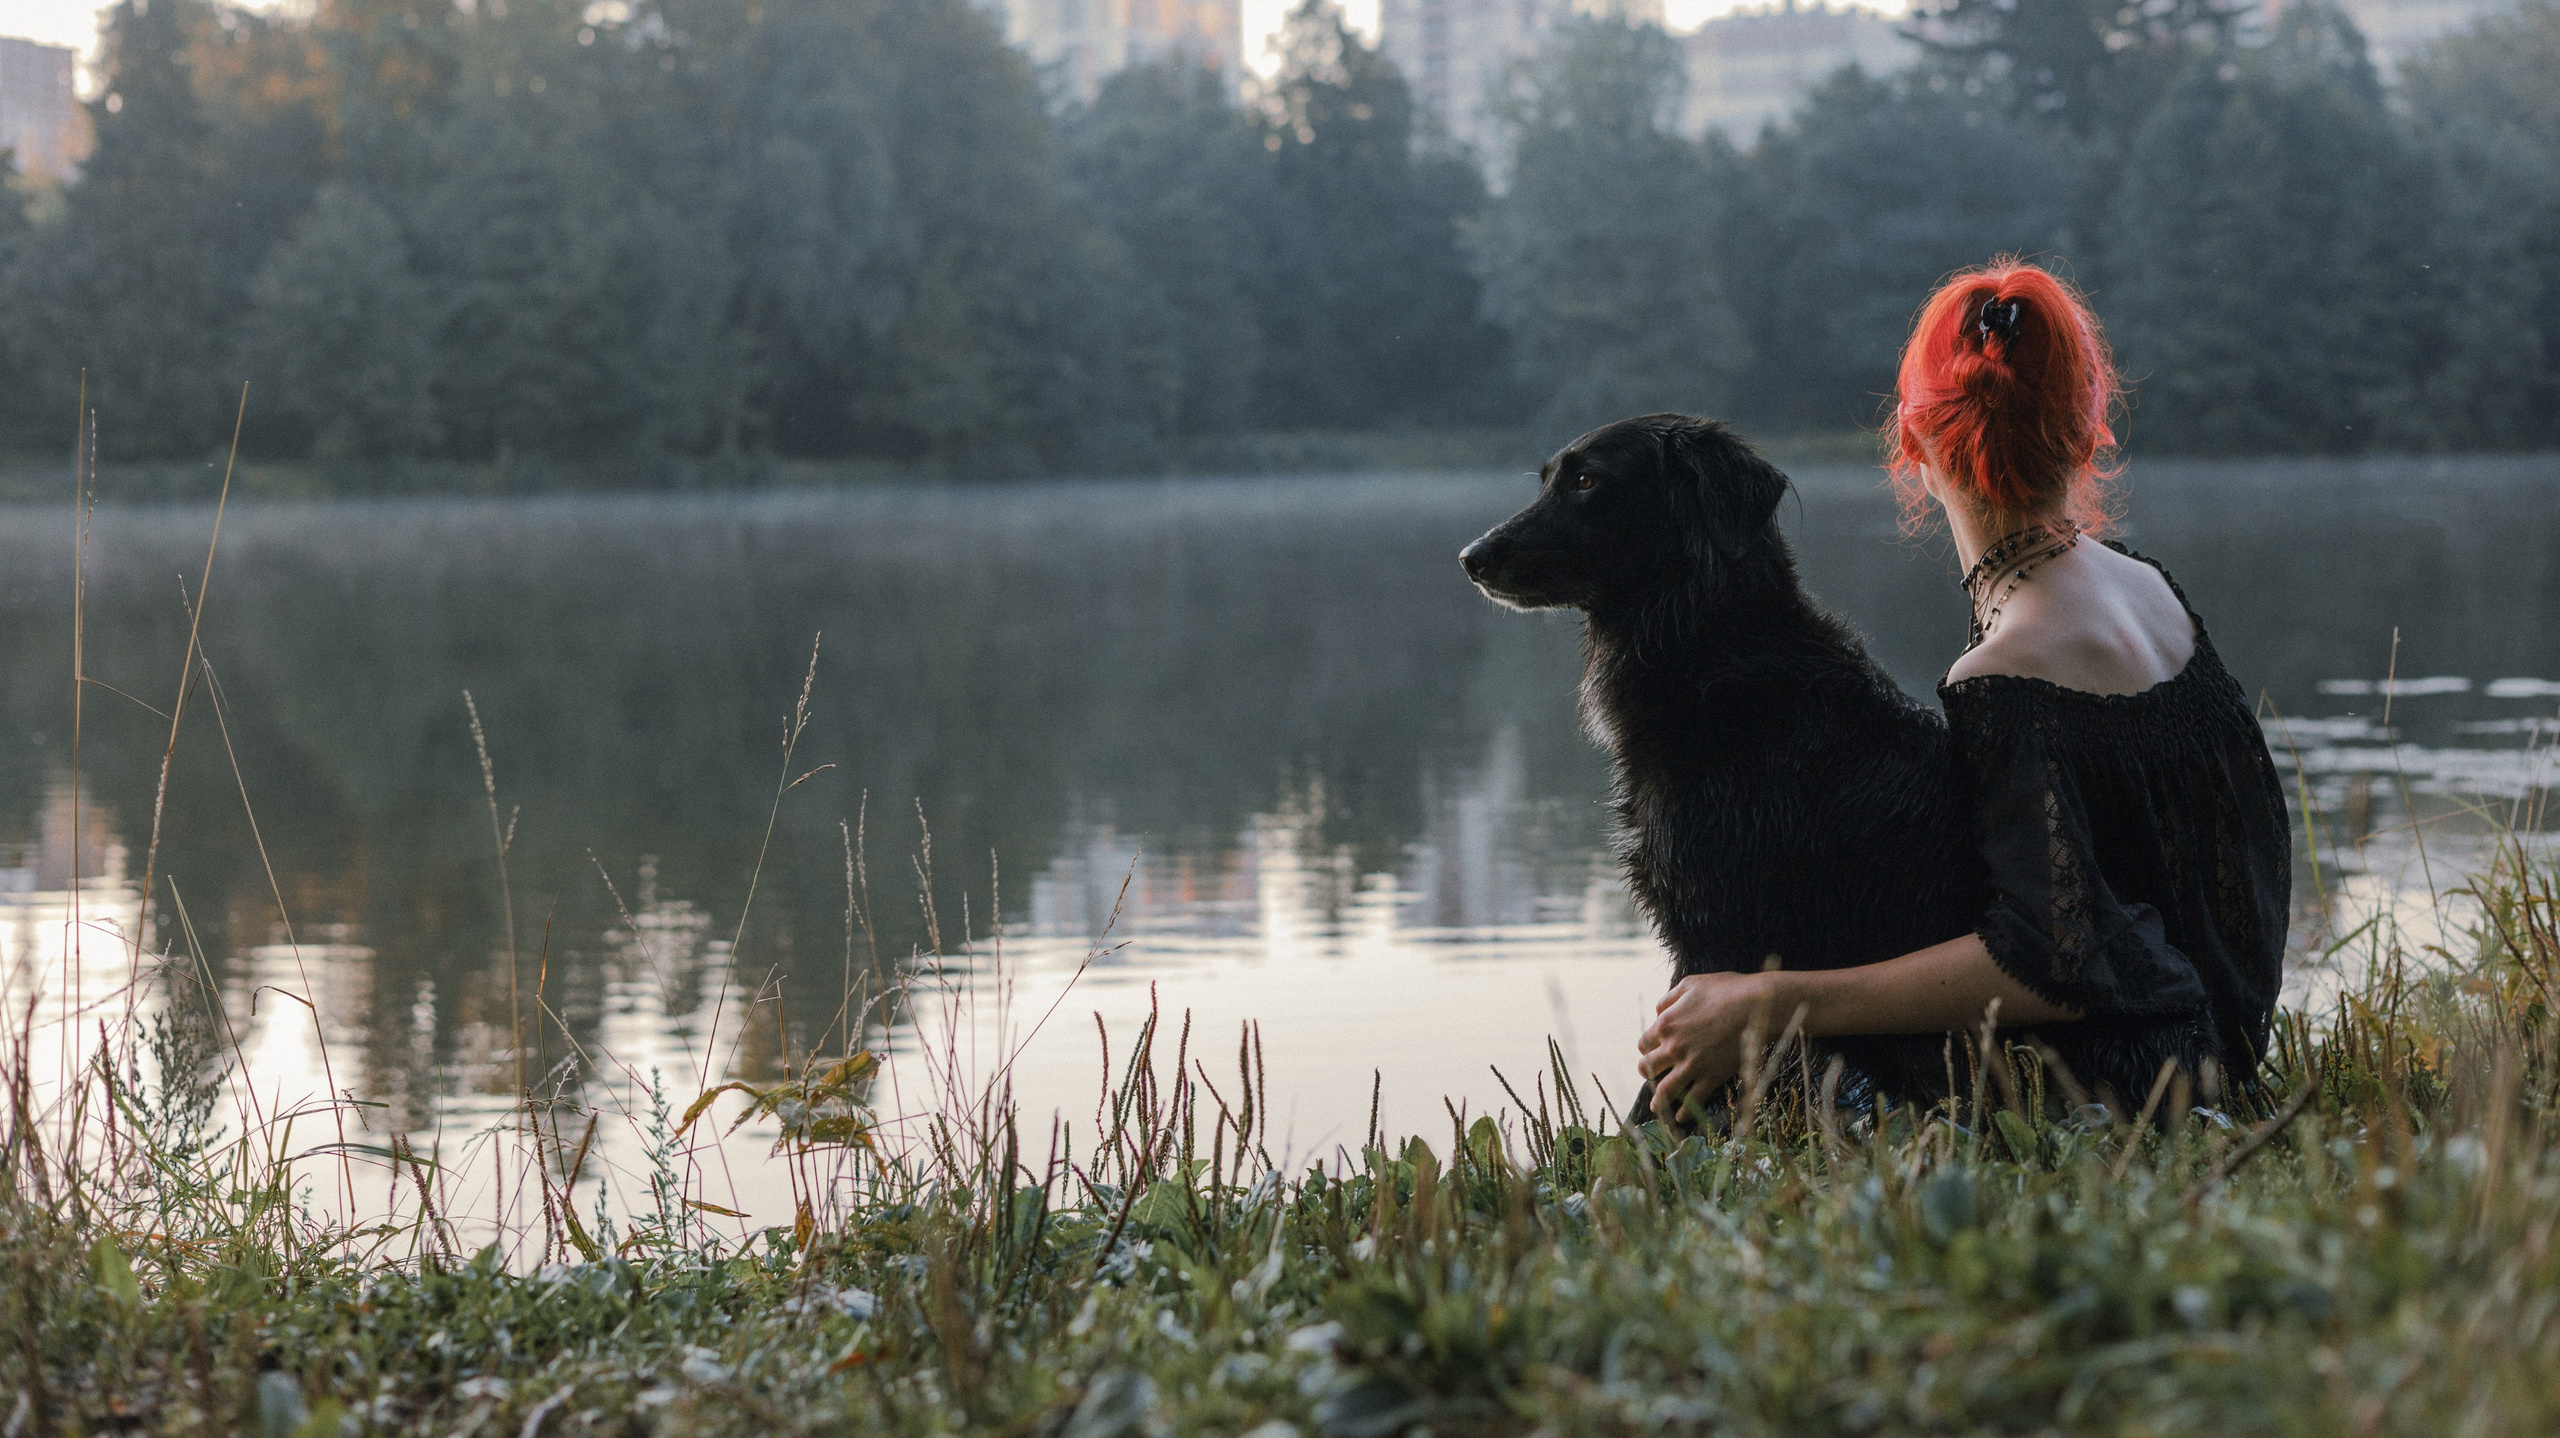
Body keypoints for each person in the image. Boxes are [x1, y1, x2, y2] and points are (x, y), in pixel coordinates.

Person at [1634, 259, 2292, 1116]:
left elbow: (2049, 954)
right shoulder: (2150, 590)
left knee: (1745, 1066)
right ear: (2092, 426)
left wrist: (1772, 1002)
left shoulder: (2005, 672)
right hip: (2220, 1051)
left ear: (1911, 444)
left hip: (2133, 1086)